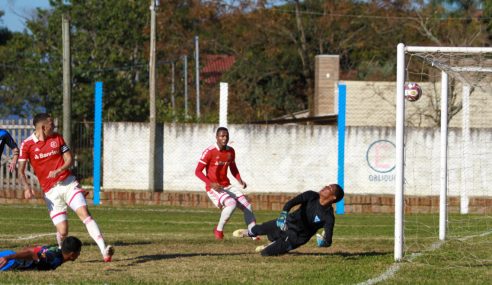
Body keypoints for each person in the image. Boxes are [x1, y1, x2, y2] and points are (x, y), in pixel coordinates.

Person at [18, 113, 114, 262]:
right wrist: (26, 187)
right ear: (43, 127)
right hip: (50, 192)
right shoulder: (27, 144)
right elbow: (21, 170)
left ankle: (104, 251)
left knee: (85, 214)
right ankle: (61, 251)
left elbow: (69, 159)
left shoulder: (57, 138)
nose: (54, 126)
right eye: (51, 124)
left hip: (68, 184)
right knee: (63, 231)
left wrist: (59, 170)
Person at [233, 184, 344, 256]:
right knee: (259, 229)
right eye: (327, 185)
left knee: (265, 253)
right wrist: (283, 215)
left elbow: (328, 240)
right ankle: (249, 232)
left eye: (329, 188)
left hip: (296, 237)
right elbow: (290, 203)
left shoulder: (328, 216)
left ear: (333, 197)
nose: (325, 186)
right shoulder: (311, 195)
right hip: (287, 222)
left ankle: (271, 246)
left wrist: (324, 242)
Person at [195, 127, 257, 240]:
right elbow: (198, 171)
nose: (224, 138)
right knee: (231, 203)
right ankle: (218, 230)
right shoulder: (209, 151)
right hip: (214, 187)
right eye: (222, 136)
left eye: (226, 136)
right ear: (217, 137)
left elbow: (233, 167)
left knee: (248, 206)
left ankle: (253, 234)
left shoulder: (230, 151)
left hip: (227, 185)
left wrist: (240, 180)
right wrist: (211, 183)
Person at [0, 236, 82, 271]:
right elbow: (31, 252)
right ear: (72, 254)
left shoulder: (56, 250)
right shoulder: (54, 258)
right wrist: (8, 258)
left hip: (11, 257)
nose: (79, 254)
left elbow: (31, 248)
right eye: (79, 251)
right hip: (11, 262)